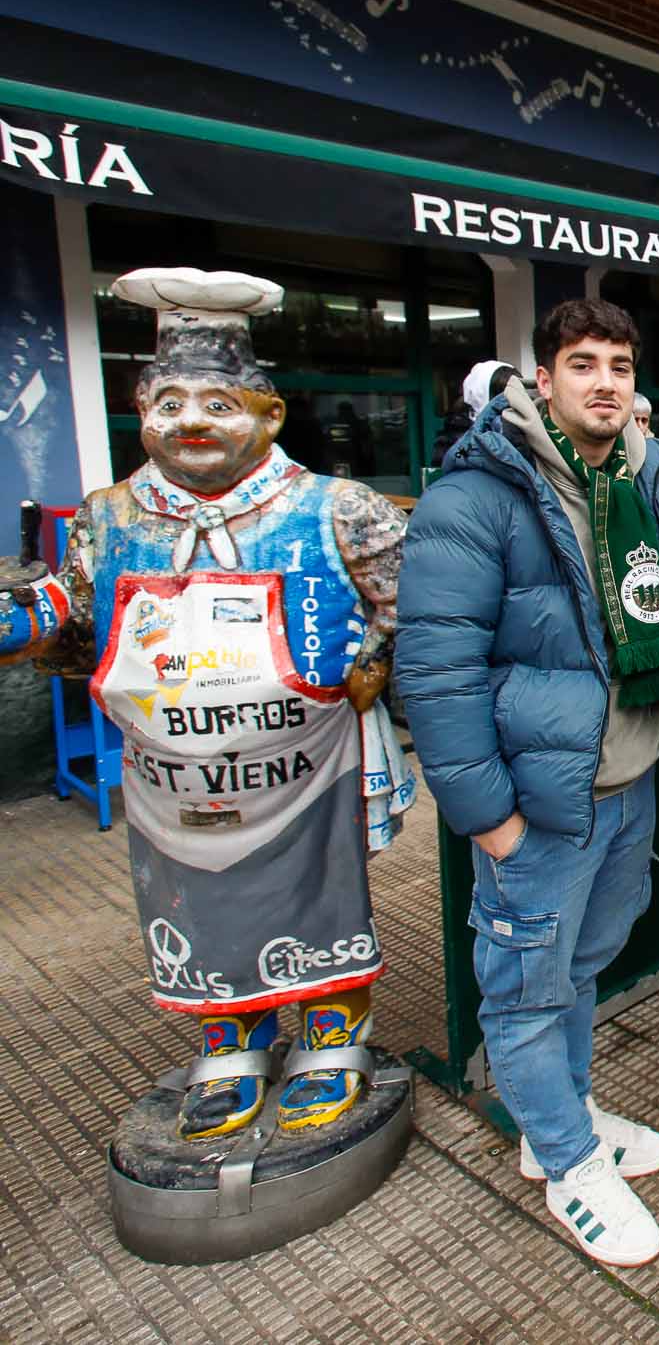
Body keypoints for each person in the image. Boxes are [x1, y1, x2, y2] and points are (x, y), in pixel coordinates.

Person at [0, 267, 413, 1141]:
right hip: (170, 773)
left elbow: (404, 598)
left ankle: (334, 1033)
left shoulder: (337, 507)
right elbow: (77, 622)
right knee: (194, 898)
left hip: (308, 761)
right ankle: (231, 1037)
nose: (191, 422)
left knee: (320, 892)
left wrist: (376, 659)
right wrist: (31, 622)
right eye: (170, 402)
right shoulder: (109, 518)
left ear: (268, 417)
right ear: (140, 408)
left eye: (218, 403)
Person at [396, 298, 659, 1266]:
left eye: (619, 364)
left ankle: (556, 1127)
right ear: (542, 379)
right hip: (537, 808)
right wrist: (487, 821)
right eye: (583, 364)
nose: (604, 382)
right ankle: (573, 1169)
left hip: (624, 791)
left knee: (576, 968)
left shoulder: (645, 481)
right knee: (525, 993)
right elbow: (435, 675)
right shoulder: (477, 497)